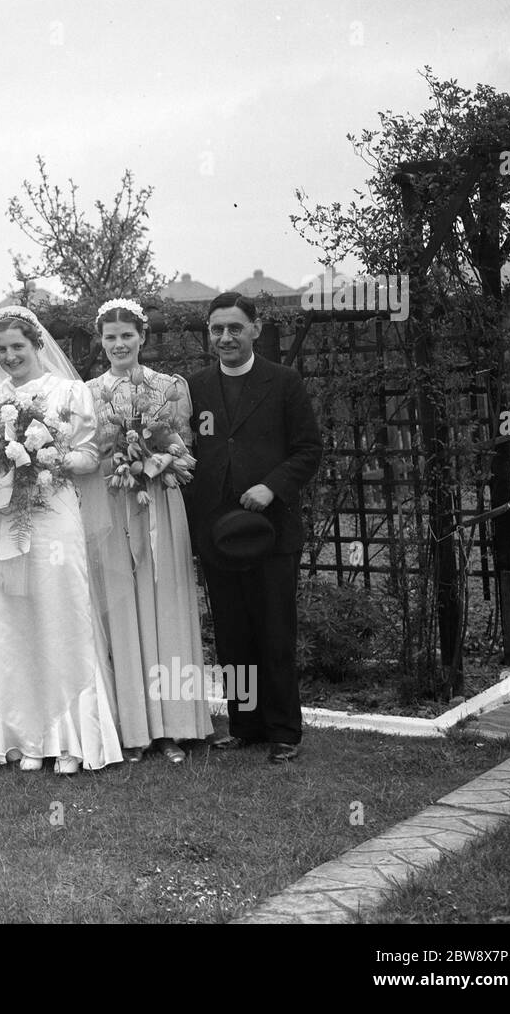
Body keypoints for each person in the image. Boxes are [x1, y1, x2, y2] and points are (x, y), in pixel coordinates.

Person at [0, 306, 123, 776]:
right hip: (5, 517)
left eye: (18, 346)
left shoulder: (70, 391)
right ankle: (20, 738)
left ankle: (71, 738)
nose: (11, 356)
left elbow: (92, 455)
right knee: (11, 616)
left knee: (60, 612)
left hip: (54, 513)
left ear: (37, 345)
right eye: (2, 350)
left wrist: (47, 458)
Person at [184, 292, 323, 764]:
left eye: (235, 328)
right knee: (232, 631)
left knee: (274, 629)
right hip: (218, 532)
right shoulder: (196, 387)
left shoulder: (283, 383)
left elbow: (308, 450)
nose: (226, 337)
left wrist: (271, 487)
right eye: (217, 329)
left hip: (271, 530)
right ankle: (244, 724)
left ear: (255, 329)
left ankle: (284, 729)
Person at [81, 299, 212, 764]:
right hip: (112, 502)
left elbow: (185, 447)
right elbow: (84, 453)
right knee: (121, 607)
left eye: (127, 336)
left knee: (165, 605)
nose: (119, 344)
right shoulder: (88, 392)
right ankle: (133, 727)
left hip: (159, 499)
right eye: (110, 337)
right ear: (101, 341)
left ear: (143, 338)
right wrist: (120, 455)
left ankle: (175, 725)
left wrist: (152, 456)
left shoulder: (169, 386)